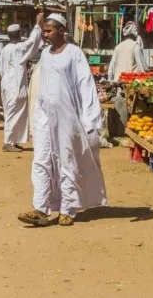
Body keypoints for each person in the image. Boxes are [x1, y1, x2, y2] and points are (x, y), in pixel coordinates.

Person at [18, 13, 107, 228]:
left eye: (48, 31)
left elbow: (86, 85)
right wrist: (38, 114)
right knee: (41, 159)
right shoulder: (45, 54)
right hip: (45, 116)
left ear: (61, 30)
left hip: (67, 117)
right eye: (44, 31)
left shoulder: (74, 54)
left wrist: (90, 119)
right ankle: (40, 208)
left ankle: (67, 209)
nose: (45, 35)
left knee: (67, 161)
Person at [0, 15, 45, 153]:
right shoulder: (17, 48)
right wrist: (37, 25)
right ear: (19, 34)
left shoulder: (5, 49)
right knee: (12, 114)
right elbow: (31, 43)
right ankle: (8, 142)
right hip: (14, 86)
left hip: (8, 85)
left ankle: (14, 140)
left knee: (13, 113)